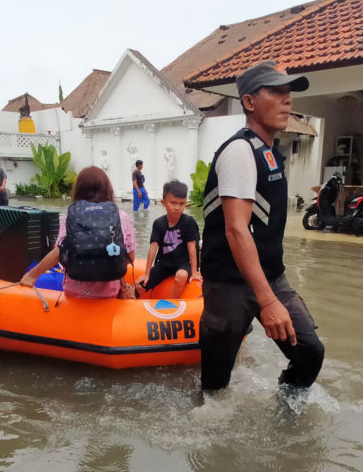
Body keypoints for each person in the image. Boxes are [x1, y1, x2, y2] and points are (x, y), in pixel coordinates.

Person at [199, 61, 324, 393]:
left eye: (289, 92)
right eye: (277, 91)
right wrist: (267, 302)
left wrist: (270, 294)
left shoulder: (270, 152)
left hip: (270, 276)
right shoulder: (240, 151)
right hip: (228, 285)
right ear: (250, 102)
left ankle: (286, 416)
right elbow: (236, 230)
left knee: (310, 351)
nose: (288, 100)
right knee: (216, 383)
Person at [21, 166, 136, 299]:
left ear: (79, 190)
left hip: (74, 293)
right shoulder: (121, 216)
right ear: (107, 189)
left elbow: (60, 252)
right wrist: (104, 266)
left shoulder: (70, 216)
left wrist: (32, 275)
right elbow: (130, 257)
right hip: (108, 294)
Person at [135, 180, 200, 298]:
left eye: (182, 203)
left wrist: (194, 272)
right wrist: (146, 274)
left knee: (180, 276)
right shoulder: (159, 223)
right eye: (173, 203)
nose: (177, 207)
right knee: (139, 285)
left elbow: (192, 247)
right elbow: (153, 248)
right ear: (163, 203)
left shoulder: (189, 222)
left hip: (183, 264)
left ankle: (169, 307)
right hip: (164, 264)